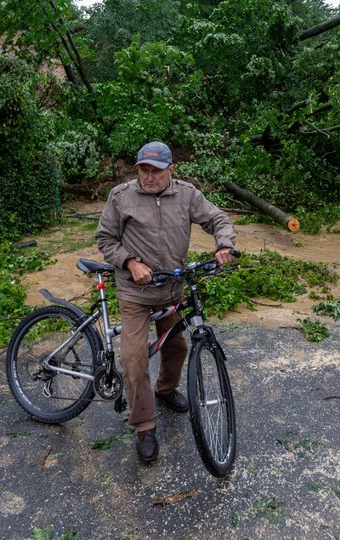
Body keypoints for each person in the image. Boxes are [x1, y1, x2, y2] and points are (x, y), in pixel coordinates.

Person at [96, 141, 236, 465]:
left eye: (156, 170)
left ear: (171, 169)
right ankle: (144, 426)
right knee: (134, 360)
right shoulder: (121, 197)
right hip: (135, 294)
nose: (148, 176)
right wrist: (130, 262)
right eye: (143, 169)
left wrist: (223, 245)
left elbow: (218, 219)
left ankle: (165, 389)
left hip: (171, 289)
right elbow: (105, 239)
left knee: (178, 348)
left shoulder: (186, 195)